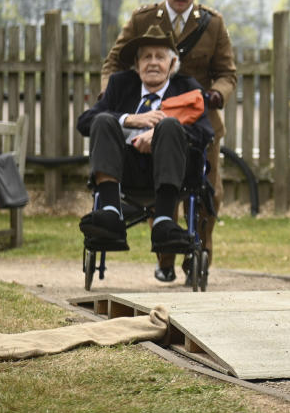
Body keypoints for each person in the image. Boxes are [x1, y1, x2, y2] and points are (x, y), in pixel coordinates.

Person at [102, 0, 236, 284]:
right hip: (154, 117)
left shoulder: (213, 24)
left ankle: (199, 253)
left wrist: (216, 95)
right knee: (160, 183)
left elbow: (227, 74)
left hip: (198, 121)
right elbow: (112, 66)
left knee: (207, 193)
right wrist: (114, 101)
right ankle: (164, 257)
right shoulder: (143, 20)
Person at [78, 25, 214, 255]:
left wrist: (160, 132)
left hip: (172, 171)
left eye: (159, 57)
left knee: (170, 125)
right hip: (125, 169)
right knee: (102, 119)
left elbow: (205, 133)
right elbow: (85, 121)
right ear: (137, 64)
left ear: (172, 64)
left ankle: (163, 221)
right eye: (146, 57)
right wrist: (130, 119)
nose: (152, 62)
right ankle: (111, 212)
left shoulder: (188, 88)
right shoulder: (121, 84)